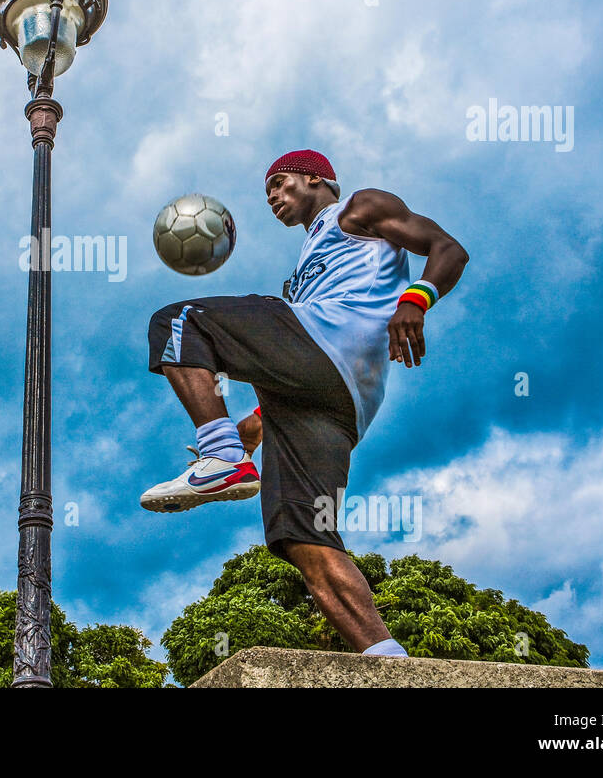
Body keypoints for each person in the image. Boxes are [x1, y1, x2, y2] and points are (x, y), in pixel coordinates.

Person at [142, 149, 469, 656]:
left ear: (315, 179)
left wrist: (416, 299)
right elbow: (287, 367)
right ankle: (388, 661)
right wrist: (256, 422)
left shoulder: (359, 209)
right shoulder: (303, 273)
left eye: (279, 183)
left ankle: (221, 456)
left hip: (336, 340)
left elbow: (447, 248)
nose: (272, 197)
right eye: (268, 191)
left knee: (180, 320)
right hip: (340, 401)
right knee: (306, 540)